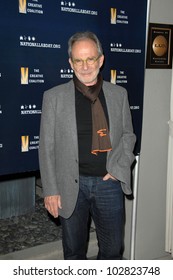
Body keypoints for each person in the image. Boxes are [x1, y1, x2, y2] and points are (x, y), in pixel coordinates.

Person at [39, 31, 136, 260]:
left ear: (100, 60)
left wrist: (118, 169)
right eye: (78, 60)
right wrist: (51, 190)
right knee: (73, 252)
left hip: (108, 184)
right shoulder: (54, 97)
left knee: (112, 251)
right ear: (70, 63)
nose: (85, 66)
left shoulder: (118, 94)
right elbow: (47, 147)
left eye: (90, 59)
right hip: (71, 185)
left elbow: (128, 136)